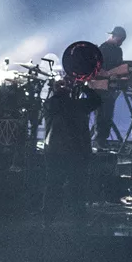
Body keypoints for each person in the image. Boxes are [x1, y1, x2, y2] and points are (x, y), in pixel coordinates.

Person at [42, 79, 101, 217]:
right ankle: (78, 217)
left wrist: (57, 90)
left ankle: (48, 218)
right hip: (77, 151)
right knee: (77, 186)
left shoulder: (50, 104)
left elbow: (52, 104)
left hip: (56, 151)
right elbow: (97, 100)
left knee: (53, 184)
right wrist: (84, 88)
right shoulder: (78, 105)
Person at [94, 26, 130, 143]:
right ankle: (100, 139)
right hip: (101, 85)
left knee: (107, 113)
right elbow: (99, 69)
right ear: (115, 36)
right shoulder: (103, 49)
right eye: (121, 40)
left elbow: (119, 66)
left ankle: (101, 139)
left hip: (110, 85)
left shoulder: (118, 50)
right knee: (103, 113)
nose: (121, 43)